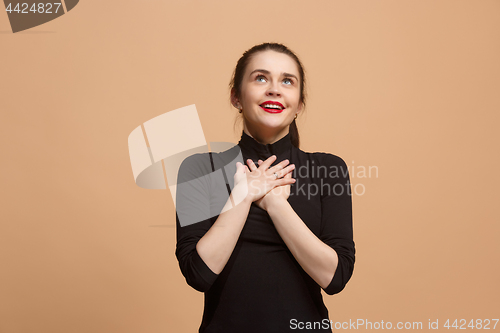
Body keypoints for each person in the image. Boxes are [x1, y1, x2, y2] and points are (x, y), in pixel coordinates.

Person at [175, 42, 355, 333]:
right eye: (260, 78)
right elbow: (199, 273)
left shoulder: (328, 169)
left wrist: (276, 204)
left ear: (300, 104)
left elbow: (335, 277)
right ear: (236, 97)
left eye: (287, 81)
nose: (274, 89)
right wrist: (243, 196)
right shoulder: (199, 170)